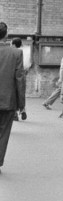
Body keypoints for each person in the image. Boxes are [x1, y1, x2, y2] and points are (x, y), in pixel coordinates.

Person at [0, 22, 25, 174]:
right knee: (3, 133)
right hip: (8, 100)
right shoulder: (16, 53)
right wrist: (21, 104)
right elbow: (19, 79)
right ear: (6, 35)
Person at [43, 45, 63, 110]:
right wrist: (61, 78)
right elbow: (62, 68)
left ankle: (47, 102)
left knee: (60, 90)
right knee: (60, 90)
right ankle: (47, 102)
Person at [10, 38, 26, 121]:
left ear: (12, 43)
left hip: (11, 76)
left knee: (13, 95)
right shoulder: (20, 51)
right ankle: (22, 109)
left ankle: (15, 114)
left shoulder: (11, 51)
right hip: (20, 75)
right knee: (20, 93)